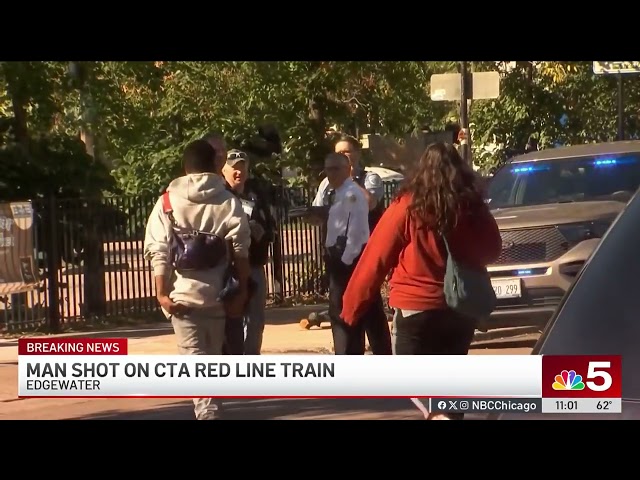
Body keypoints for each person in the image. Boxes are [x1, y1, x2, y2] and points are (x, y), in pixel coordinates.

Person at [341, 142, 502, 419]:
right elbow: (492, 249)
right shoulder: (470, 207)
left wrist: (350, 309)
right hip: (460, 308)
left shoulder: (407, 206)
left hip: (415, 308)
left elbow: (375, 259)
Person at [143, 139, 251, 420]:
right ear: (214, 165)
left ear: (185, 166)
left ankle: (208, 414)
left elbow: (159, 250)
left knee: (195, 363)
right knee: (212, 360)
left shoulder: (167, 202)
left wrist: (162, 293)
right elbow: (241, 251)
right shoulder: (228, 201)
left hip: (182, 299)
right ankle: (210, 412)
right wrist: (241, 293)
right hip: (218, 297)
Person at [313, 134, 392, 355]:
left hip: (364, 256)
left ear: (356, 154)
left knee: (369, 306)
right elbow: (319, 209)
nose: (342, 157)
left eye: (346, 152)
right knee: (341, 311)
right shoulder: (326, 185)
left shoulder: (369, 178)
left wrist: (349, 182)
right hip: (338, 259)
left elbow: (370, 203)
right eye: (338, 153)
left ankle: (383, 356)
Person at [222, 149, 276, 354]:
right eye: (234, 169)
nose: (239, 173)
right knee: (230, 319)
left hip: (254, 265)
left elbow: (271, 227)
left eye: (242, 168)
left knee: (255, 319)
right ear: (224, 170)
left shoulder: (255, 195)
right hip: (228, 269)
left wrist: (261, 230)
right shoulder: (221, 196)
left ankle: (251, 362)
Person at [320, 152, 371, 354]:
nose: (330, 174)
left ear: (348, 169)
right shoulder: (337, 192)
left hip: (346, 262)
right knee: (344, 314)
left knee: (343, 315)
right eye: (327, 169)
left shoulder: (352, 194)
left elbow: (357, 232)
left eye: (335, 169)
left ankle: (347, 356)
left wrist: (345, 261)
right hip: (338, 258)